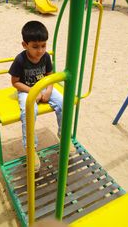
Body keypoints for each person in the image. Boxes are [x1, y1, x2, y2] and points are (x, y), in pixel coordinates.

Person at [9, 21, 76, 172]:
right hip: (26, 90)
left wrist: (49, 90)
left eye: (43, 45)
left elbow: (49, 75)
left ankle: (64, 136)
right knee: (29, 111)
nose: (40, 50)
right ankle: (30, 148)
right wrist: (34, 92)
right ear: (25, 45)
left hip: (44, 87)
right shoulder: (20, 60)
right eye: (35, 46)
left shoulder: (45, 57)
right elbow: (15, 82)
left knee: (64, 103)